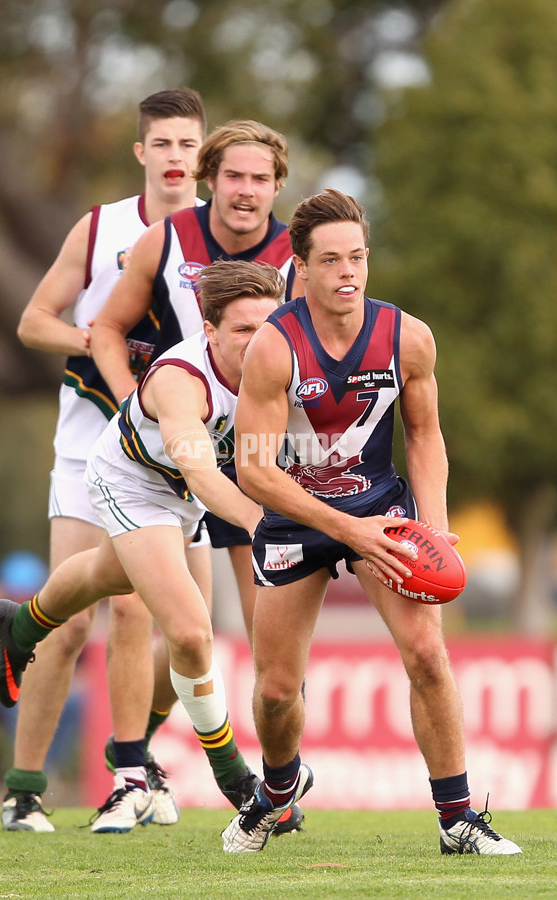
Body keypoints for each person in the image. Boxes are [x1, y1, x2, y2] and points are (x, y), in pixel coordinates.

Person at [222, 189, 522, 856]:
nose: (348, 273)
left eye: (357, 257)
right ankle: (276, 792)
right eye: (331, 260)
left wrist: (434, 525)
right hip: (295, 516)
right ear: (301, 267)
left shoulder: (407, 337)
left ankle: (457, 820)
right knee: (275, 691)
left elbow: (425, 436)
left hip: (381, 510)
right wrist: (343, 531)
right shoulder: (272, 350)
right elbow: (255, 473)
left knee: (427, 654)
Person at [0, 260, 302, 835]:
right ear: (209, 331)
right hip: (134, 480)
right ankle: (233, 775)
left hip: (185, 493)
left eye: (268, 326)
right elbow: (205, 476)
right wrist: (267, 524)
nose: (258, 341)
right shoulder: (181, 379)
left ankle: (21, 626)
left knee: (106, 575)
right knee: (189, 631)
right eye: (242, 330)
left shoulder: (278, 364)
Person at [4, 88, 209, 832]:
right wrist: (101, 341)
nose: (177, 158)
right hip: (88, 441)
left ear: (203, 154)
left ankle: (131, 768)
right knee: (74, 621)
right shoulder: (101, 229)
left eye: (189, 145)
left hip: (176, 457)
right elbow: (33, 321)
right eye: (164, 145)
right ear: (141, 153)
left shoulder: (217, 238)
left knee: (163, 620)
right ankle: (24, 788)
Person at [90, 118, 301, 645]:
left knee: (266, 637)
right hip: (178, 447)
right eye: (234, 176)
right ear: (210, 178)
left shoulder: (299, 259)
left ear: (277, 186)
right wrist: (135, 405)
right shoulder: (165, 239)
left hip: (256, 450)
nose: (246, 190)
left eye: (260, 178)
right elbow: (108, 330)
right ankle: (133, 732)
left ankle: (256, 717)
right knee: (159, 621)